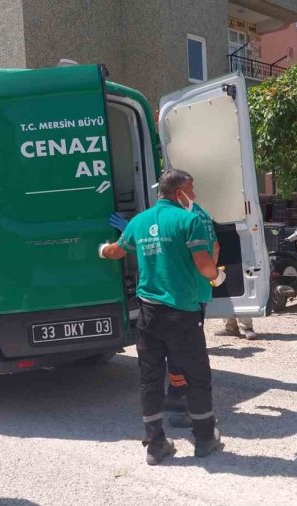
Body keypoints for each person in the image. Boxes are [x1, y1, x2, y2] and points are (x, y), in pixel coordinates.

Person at [100, 169, 226, 465]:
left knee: (150, 377)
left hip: (148, 313)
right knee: (197, 375)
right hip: (183, 312)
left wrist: (102, 250)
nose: (193, 195)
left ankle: (155, 445)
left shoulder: (139, 221)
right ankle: (204, 439)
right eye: (191, 190)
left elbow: (116, 251)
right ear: (179, 192)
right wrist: (217, 277)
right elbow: (204, 264)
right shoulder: (190, 220)